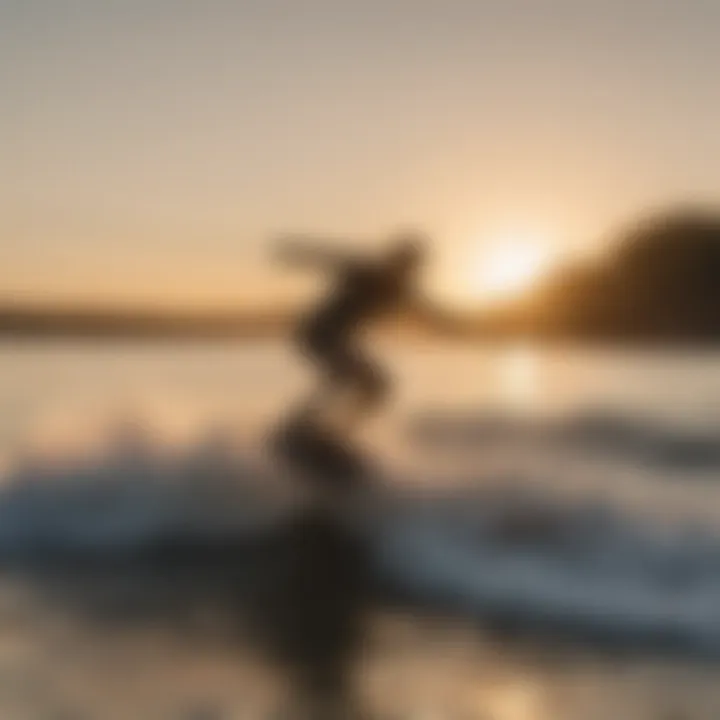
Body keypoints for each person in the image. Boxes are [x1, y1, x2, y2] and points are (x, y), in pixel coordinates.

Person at [275, 230, 427, 431]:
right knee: (361, 381)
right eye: (403, 264)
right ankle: (312, 426)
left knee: (368, 384)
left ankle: (328, 427)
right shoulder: (369, 271)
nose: (406, 272)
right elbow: (331, 258)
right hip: (319, 333)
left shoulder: (399, 288)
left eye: (410, 267)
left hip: (333, 337)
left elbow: (426, 310)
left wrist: (457, 325)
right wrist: (298, 253)